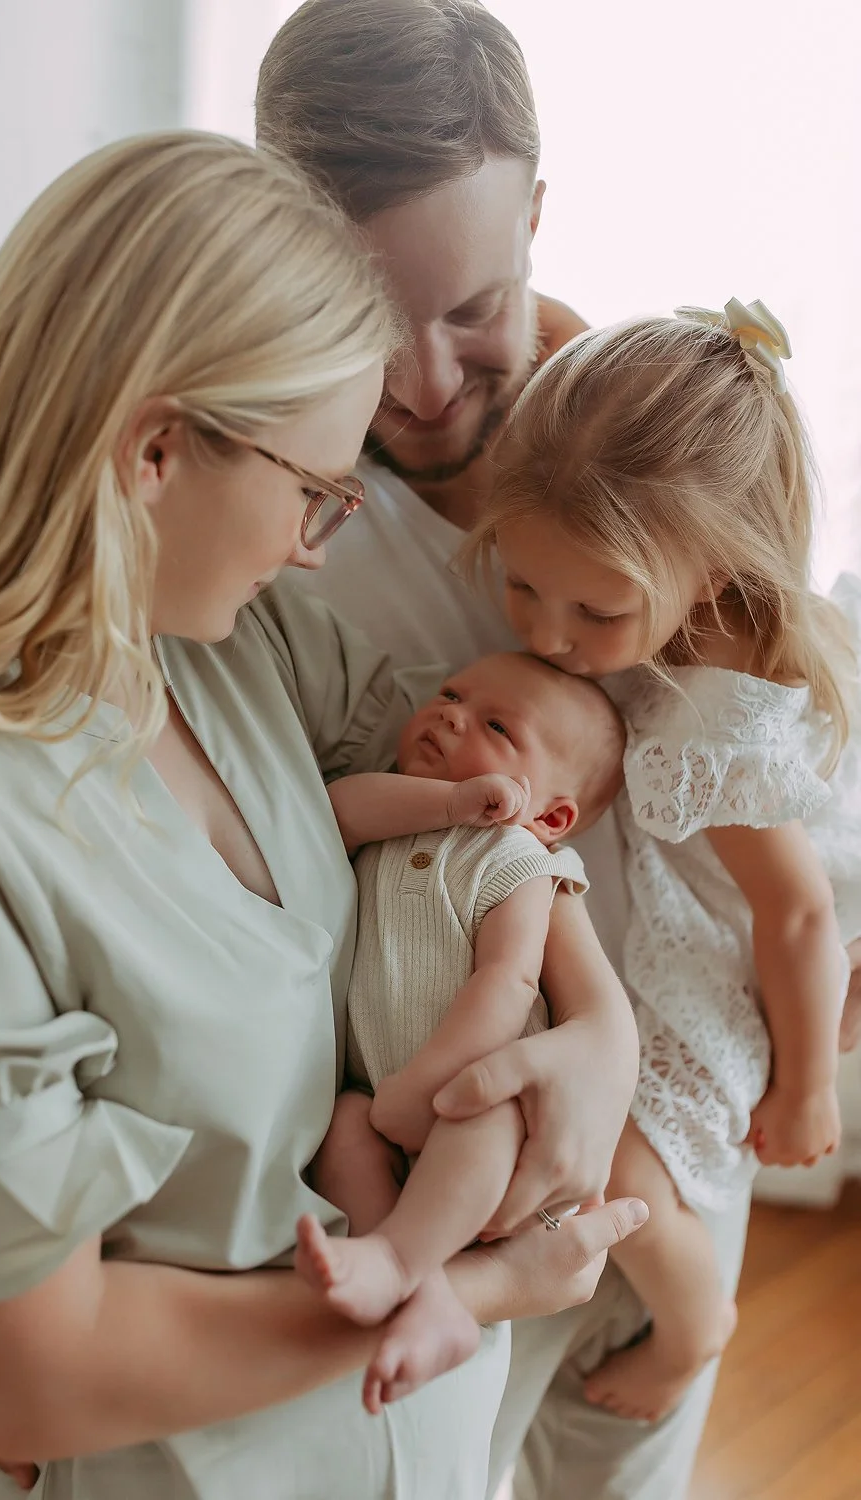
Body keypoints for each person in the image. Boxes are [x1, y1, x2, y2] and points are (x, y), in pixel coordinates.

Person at [0, 131, 647, 1500]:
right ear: (158, 451)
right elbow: (32, 1377)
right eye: (314, 493)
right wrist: (475, 1281)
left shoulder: (235, 653)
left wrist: (600, 1028)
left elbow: (523, 779)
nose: (313, 546)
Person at [257, 2, 860, 1494]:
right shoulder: (264, 491)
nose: (427, 381)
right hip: (433, 1125)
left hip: (660, 1123)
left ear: (536, 212)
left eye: (474, 305)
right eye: (360, 305)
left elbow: (785, 713)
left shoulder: (653, 444)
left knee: (620, 1451)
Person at [471, 299, 861, 1423]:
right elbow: (631, 433)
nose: (548, 635)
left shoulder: (708, 713)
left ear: (714, 569)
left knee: (617, 1157)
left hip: (747, 966)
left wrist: (801, 1090)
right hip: (721, 924)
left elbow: (789, 919)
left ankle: (694, 1328)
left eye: (595, 609)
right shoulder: (667, 561)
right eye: (521, 586)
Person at [297, 654, 627, 1412]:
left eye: (497, 726)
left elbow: (507, 982)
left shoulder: (519, 863)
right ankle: (410, 1280)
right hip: (383, 1106)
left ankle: (404, 1260)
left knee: (487, 1118)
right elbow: (335, 808)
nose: (450, 715)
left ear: (550, 817)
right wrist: (447, 803)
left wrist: (431, 1082)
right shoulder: (393, 822)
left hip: (482, 1110)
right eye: (449, 695)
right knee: (346, 1125)